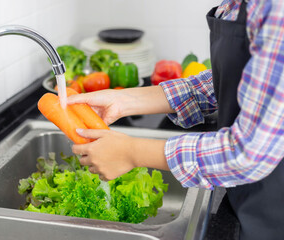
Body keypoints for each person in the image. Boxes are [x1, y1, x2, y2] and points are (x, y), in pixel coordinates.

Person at [68, 0, 284, 239]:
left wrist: (131, 152)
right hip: (249, 199)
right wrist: (126, 99)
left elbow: (248, 152)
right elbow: (240, 79)